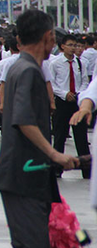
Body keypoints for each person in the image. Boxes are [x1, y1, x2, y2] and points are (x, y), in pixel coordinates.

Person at [0, 9, 77, 248]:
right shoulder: (29, 71)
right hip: (23, 176)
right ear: (48, 37)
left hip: (29, 175)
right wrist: (54, 154)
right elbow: (23, 119)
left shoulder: (21, 66)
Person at [47, 34, 89, 178]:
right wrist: (64, 93)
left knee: (81, 137)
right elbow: (52, 83)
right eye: (70, 45)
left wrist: (79, 93)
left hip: (77, 102)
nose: (73, 48)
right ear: (62, 46)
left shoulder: (80, 63)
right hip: (62, 102)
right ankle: (57, 168)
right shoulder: (55, 63)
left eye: (75, 45)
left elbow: (84, 81)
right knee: (59, 136)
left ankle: (86, 170)